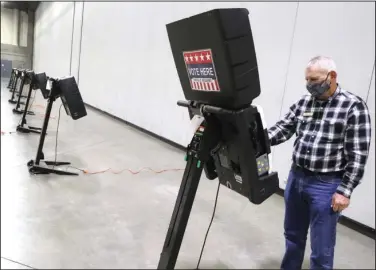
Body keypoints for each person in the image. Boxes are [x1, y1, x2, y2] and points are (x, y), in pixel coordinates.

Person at [268, 56, 372, 270]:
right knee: (293, 237)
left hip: (325, 186)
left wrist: (345, 190)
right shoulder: (304, 102)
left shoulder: (353, 106)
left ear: (331, 76)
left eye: (314, 79)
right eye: (307, 80)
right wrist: (254, 139)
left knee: (321, 247)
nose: (309, 85)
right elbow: (283, 129)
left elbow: (358, 154)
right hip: (296, 178)